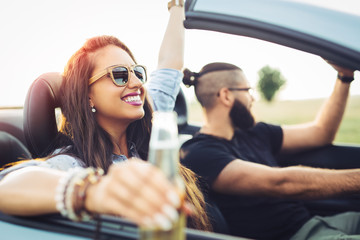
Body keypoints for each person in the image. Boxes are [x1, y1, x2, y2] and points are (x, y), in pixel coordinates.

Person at [0, 1, 211, 232]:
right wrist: (94, 191)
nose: (137, 83)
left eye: (137, 72)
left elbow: (170, 64)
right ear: (88, 96)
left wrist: (177, 5)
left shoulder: (152, 125)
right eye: (119, 75)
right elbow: (7, 187)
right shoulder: (75, 163)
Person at [180, 61, 359, 239]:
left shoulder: (254, 132)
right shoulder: (199, 153)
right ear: (226, 95)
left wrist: (344, 77)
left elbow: (321, 132)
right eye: (248, 90)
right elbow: (281, 182)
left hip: (316, 223)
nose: (253, 98)